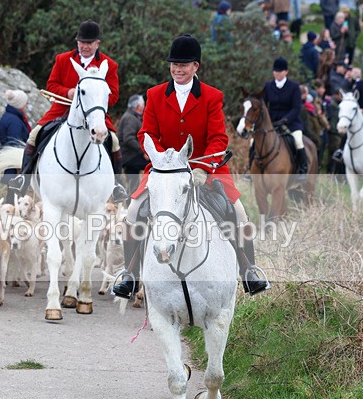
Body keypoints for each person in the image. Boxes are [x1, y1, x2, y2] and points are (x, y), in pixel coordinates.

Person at [111, 35, 269, 300]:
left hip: (204, 169)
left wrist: (205, 168)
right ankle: (131, 276)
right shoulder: (155, 94)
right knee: (133, 211)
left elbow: (219, 138)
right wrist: (163, 159)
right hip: (163, 170)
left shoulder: (211, 96)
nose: (177, 69)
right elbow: (146, 134)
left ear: (196, 66)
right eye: (174, 64)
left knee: (239, 213)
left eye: (184, 64)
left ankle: (249, 272)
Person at [8, 20, 127, 202]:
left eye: (89, 43)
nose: (85, 46)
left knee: (114, 141)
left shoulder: (109, 64)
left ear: (97, 43)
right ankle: (23, 178)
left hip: (93, 114)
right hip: (61, 110)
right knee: (34, 134)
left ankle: (117, 185)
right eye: (82, 42)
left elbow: (114, 95)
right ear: (77, 41)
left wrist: (93, 100)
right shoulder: (63, 59)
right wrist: (69, 92)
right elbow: (52, 85)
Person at [263, 56, 308, 178]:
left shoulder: (294, 87)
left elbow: (296, 107)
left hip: (290, 122)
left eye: (280, 71)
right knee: (254, 141)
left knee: (298, 140)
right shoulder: (268, 86)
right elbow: (264, 105)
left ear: (286, 72)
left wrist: (286, 119)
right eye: (275, 71)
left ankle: (302, 169)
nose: (277, 73)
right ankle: (251, 169)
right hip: (272, 122)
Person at [0, 89, 31, 204]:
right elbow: (14, 142)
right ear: (20, 105)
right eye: (25, 103)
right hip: (15, 163)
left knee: (12, 193)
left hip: (10, 161)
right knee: (15, 195)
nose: (26, 105)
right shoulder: (14, 121)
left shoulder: (9, 116)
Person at [117, 94, 146, 194]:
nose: (144, 107)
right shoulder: (130, 118)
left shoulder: (132, 116)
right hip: (130, 157)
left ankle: (131, 204)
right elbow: (128, 138)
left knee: (132, 185)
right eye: (143, 105)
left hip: (130, 156)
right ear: (138, 106)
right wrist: (143, 152)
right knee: (153, 166)